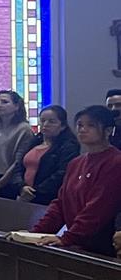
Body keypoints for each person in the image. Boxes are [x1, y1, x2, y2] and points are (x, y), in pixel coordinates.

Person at [31, 106, 121, 255]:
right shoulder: (76, 163)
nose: (83, 129)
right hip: (77, 242)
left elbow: (99, 206)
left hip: (102, 243)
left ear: (108, 131)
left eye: (90, 125)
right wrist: (35, 233)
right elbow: (61, 203)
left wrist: (68, 238)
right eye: (80, 125)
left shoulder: (115, 162)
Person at [0, 103, 75, 204]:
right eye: (43, 121)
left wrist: (35, 192)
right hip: (24, 193)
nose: (45, 125)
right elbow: (19, 165)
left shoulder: (68, 146)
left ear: (62, 126)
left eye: (51, 122)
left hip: (47, 197)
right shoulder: (35, 141)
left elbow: (61, 173)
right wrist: (21, 186)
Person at [0, 89, 36, 187]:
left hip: (10, 179)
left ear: (17, 106)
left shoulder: (23, 129)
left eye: (4, 102)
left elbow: (18, 162)